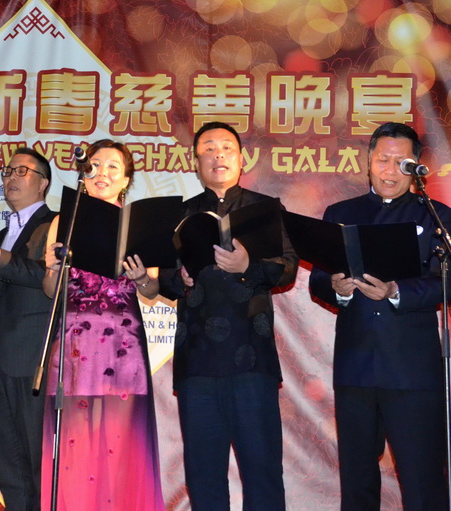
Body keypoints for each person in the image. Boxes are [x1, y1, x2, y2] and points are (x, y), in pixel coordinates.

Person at [308, 122, 451, 510]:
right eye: (382, 160)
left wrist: (395, 292)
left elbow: (445, 285)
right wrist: (337, 288)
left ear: (415, 168)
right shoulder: (341, 213)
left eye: (401, 163)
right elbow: (318, 280)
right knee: (357, 482)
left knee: (422, 481)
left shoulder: (435, 215)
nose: (390, 171)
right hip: (355, 368)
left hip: (412, 369)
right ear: (368, 162)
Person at [158, 122, 297, 511]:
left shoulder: (265, 209)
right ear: (195, 162)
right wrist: (180, 278)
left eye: (226, 148)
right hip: (197, 363)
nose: (217, 155)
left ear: (241, 158)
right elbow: (162, 276)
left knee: (262, 473)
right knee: (204, 477)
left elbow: (288, 266)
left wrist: (248, 265)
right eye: (208, 149)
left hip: (252, 360)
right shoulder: (179, 214)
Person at [39, 139, 165, 511]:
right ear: (84, 172)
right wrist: (53, 269)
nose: (102, 174)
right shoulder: (64, 221)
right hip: (74, 344)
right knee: (73, 445)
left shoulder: (140, 224)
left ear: (125, 180)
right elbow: (50, 291)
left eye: (113, 167)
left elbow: (153, 289)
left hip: (123, 346)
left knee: (121, 445)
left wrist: (141, 278)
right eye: (94, 165)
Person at [0, 147, 56, 511]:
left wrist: (0, 259)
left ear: (43, 183)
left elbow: (48, 278)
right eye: (7, 171)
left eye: (22, 171)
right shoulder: (1, 233)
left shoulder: (56, 225)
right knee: (8, 461)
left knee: (35, 459)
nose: (11, 178)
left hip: (31, 356)